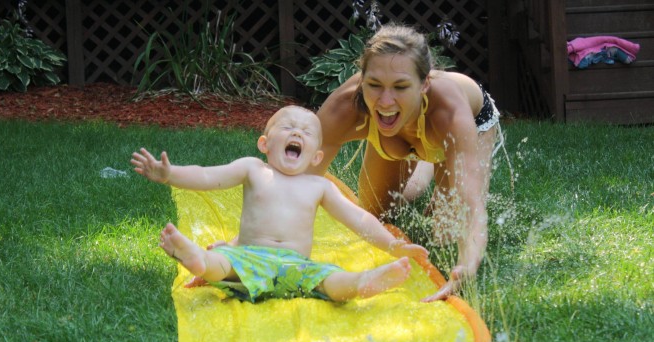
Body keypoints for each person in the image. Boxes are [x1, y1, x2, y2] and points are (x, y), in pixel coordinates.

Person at [130, 105, 428, 303]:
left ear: (316, 157)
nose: (297, 132)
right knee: (225, 262)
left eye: (307, 132)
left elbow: (359, 219)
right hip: (249, 258)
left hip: (296, 267)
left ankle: (361, 282)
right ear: (265, 144)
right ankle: (199, 260)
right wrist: (170, 174)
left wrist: (392, 245)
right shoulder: (253, 169)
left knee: (327, 277)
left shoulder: (319, 187)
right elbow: (207, 175)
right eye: (287, 127)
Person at [311, 23, 504, 302]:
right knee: (376, 211)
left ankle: (431, 157)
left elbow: (471, 203)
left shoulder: (449, 114)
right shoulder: (346, 106)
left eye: (400, 86)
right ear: (361, 77)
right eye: (374, 85)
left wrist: (468, 264)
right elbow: (295, 179)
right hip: (395, 133)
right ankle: (423, 162)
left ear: (424, 83)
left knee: (446, 231)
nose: (385, 100)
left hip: (459, 126)